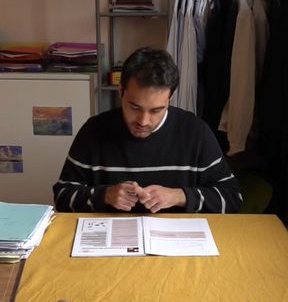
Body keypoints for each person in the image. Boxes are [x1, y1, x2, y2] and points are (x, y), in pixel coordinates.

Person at [52, 47, 242, 213]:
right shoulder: (93, 131)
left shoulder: (195, 133)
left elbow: (232, 198)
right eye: (134, 107)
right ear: (121, 92)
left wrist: (179, 196)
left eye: (156, 110)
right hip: (109, 242)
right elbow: (62, 197)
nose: (143, 121)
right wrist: (105, 195)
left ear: (170, 98)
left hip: (176, 245)